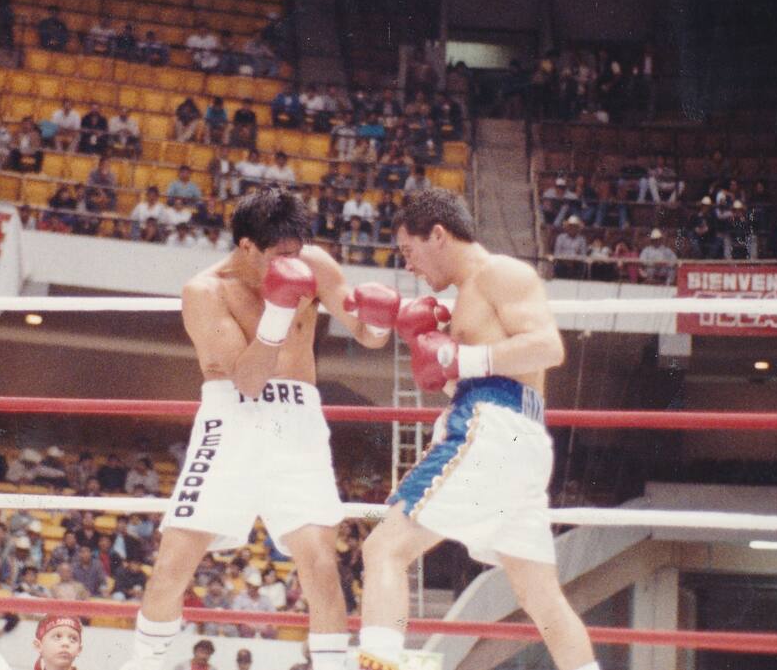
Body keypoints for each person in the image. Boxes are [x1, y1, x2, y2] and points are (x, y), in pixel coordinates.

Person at [119, 187, 398, 670]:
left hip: (299, 423)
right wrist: (279, 310)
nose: (292, 264)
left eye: (296, 252)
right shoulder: (205, 292)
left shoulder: (314, 264)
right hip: (232, 420)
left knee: (321, 565)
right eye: (279, 255)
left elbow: (368, 337)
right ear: (247, 245)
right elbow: (247, 381)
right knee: (173, 565)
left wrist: (383, 319)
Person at [356, 188, 599, 670]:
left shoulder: (499, 273)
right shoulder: (467, 298)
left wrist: (457, 357)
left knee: (383, 547)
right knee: (540, 597)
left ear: (439, 235)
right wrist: (446, 363)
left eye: (409, 251)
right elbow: (487, 371)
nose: (409, 267)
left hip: (493, 429)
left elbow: (548, 348)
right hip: (514, 435)